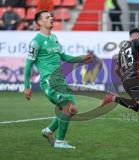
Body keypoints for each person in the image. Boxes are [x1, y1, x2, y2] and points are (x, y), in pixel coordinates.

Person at [24, 10, 93, 149]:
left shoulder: (54, 38)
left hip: (60, 80)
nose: (51, 18)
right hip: (49, 81)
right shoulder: (35, 42)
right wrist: (27, 86)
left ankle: (48, 131)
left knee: (71, 110)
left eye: (51, 16)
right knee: (68, 107)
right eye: (47, 17)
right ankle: (60, 142)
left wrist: (81, 58)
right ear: (39, 23)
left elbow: (64, 57)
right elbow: (28, 64)